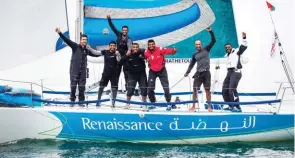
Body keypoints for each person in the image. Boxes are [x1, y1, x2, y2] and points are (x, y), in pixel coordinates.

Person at [55, 27, 99, 107]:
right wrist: (59, 33)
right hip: (74, 71)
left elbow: (95, 54)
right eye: (83, 40)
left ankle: (81, 102)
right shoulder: (75, 46)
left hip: (83, 71)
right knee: (73, 86)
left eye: (86, 40)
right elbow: (66, 40)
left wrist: (105, 53)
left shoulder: (86, 50)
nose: (84, 41)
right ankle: (72, 101)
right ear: (80, 40)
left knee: (82, 87)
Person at [184, 27, 216, 112]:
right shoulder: (194, 54)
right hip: (198, 73)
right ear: (195, 46)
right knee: (194, 89)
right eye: (196, 44)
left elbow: (213, 41)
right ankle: (193, 106)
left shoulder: (206, 49)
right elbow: (191, 64)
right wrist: (187, 72)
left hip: (206, 73)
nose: (198, 45)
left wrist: (210, 31)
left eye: (199, 44)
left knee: (207, 90)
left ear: (201, 44)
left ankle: (209, 107)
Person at [144, 39, 177, 110]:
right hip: (152, 71)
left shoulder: (160, 49)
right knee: (149, 89)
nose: (151, 45)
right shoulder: (146, 52)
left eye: (152, 44)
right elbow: (141, 54)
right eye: (150, 45)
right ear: (148, 45)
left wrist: (173, 50)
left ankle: (168, 103)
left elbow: (167, 51)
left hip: (162, 71)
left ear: (154, 44)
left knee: (166, 87)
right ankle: (153, 103)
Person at [87, 41, 121, 107]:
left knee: (114, 88)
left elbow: (119, 60)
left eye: (114, 45)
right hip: (105, 73)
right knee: (101, 87)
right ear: (109, 46)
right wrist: (89, 48)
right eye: (111, 45)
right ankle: (98, 101)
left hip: (114, 74)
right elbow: (96, 53)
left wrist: (118, 55)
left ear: (115, 46)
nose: (112, 47)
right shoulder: (105, 52)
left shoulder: (117, 53)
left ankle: (113, 103)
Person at [222, 32, 248, 112]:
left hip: (236, 72)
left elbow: (244, 47)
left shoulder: (236, 52)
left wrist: (244, 38)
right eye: (226, 47)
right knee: (224, 90)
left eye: (229, 47)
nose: (228, 48)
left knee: (231, 90)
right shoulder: (226, 55)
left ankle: (237, 107)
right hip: (229, 72)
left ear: (231, 47)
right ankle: (230, 106)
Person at [107, 15, 132, 90]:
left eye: (126, 30)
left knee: (126, 73)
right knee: (116, 73)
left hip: (125, 58)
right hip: (118, 57)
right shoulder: (118, 34)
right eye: (123, 30)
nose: (124, 31)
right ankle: (114, 88)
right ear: (122, 30)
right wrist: (109, 19)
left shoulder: (129, 39)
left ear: (127, 31)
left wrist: (129, 50)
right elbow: (112, 27)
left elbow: (130, 47)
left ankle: (128, 88)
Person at [118, 43, 147, 109]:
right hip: (132, 74)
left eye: (137, 47)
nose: (135, 48)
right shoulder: (129, 54)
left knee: (144, 89)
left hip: (141, 74)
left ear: (139, 48)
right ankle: (127, 103)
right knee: (130, 89)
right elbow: (120, 63)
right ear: (132, 48)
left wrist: (143, 52)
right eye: (134, 47)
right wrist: (126, 55)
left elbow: (147, 52)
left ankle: (144, 104)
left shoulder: (142, 52)